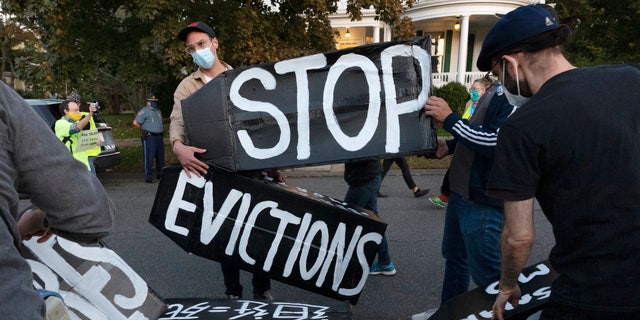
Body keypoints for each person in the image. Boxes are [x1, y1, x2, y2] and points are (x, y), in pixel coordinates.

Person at [475, 5, 640, 320]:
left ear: (511, 63)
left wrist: (508, 284)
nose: (499, 83)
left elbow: (518, 237)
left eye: (495, 74)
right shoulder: (631, 78)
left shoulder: (521, 127)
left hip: (593, 293)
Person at [173, 21, 279, 300]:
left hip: (252, 169)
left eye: (202, 44)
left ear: (215, 43)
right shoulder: (187, 86)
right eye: (191, 48)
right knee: (225, 233)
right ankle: (233, 291)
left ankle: (261, 289)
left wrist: (274, 165)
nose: (198, 51)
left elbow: (263, 124)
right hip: (216, 171)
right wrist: (177, 147)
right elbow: (178, 121)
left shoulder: (243, 78)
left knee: (259, 231)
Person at [0, 82, 115, 318]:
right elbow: (89, 213)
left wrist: (95, 135)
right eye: (74, 108)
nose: (77, 110)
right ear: (65, 112)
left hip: (86, 165)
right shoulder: (62, 124)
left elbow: (90, 135)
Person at [424, 75, 514, 304]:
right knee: (455, 259)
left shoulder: (514, 95)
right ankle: (449, 313)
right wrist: (450, 145)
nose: (490, 63)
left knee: (488, 272)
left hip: (482, 200)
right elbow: (476, 131)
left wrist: (450, 119)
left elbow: (497, 143)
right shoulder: (496, 90)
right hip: (460, 192)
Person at [428, 78, 490, 209]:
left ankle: (445, 196)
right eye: (471, 88)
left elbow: (486, 138)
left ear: (484, 91)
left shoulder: (487, 106)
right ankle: (446, 196)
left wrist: (449, 119)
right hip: (462, 143)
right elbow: (465, 124)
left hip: (473, 160)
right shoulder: (469, 103)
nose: (473, 91)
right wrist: (450, 145)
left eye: (476, 89)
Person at [344, 159, 396, 276]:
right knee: (373, 222)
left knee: (346, 219)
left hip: (364, 180)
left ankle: (336, 262)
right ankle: (385, 263)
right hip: (371, 176)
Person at [54, 99, 99, 171]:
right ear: (66, 111)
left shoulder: (77, 121)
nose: (79, 113)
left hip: (84, 166)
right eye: (76, 110)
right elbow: (76, 128)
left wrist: (95, 140)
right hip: (71, 168)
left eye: (78, 110)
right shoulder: (60, 123)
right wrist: (90, 114)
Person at [67, 92, 103, 175]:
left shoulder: (82, 116)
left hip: (86, 152)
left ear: (78, 104)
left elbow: (80, 131)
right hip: (89, 151)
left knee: (90, 178)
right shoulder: (85, 115)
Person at [133, 93, 166, 183]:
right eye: (152, 101)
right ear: (148, 102)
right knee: (149, 157)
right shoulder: (144, 111)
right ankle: (149, 177)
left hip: (159, 137)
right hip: (150, 137)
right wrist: (143, 130)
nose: (154, 103)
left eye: (154, 101)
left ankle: (160, 174)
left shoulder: (158, 111)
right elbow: (136, 123)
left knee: (160, 157)